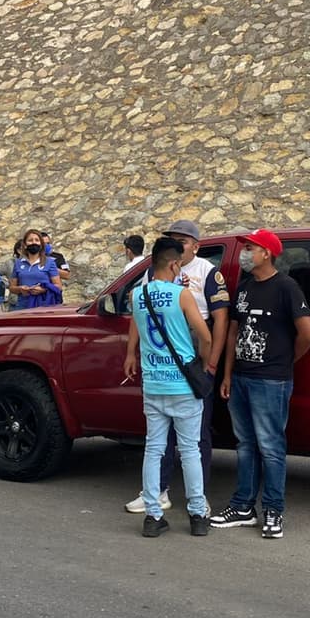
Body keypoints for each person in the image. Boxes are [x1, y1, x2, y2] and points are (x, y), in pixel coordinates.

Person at [209, 230, 310, 539]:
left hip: (271, 380)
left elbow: (307, 334)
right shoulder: (244, 288)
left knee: (270, 446)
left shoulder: (286, 287)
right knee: (245, 444)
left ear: (266, 253)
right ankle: (243, 506)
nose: (244, 253)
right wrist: (228, 374)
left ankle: (273, 509)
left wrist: (284, 363)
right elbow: (233, 332)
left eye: (250, 248)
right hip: (241, 378)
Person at [124, 219, 231, 516]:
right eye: (173, 239)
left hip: (194, 359)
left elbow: (220, 320)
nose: (178, 244)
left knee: (197, 436)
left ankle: (199, 497)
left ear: (196, 246)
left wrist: (210, 364)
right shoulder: (153, 273)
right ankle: (157, 492)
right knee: (162, 438)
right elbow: (139, 313)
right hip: (163, 363)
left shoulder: (207, 272)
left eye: (184, 240)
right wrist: (130, 351)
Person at [9, 229, 62, 309]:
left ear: (41, 244)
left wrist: (43, 289)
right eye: (30, 240)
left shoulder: (50, 262)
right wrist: (20, 289)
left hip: (44, 307)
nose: (33, 242)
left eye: (37, 240)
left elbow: (58, 286)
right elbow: (12, 288)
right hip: (22, 307)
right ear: (25, 245)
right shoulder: (18, 263)